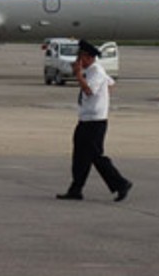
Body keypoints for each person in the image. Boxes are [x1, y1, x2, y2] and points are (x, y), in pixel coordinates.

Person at [57, 39, 132, 202]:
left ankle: (121, 183)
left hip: (95, 121)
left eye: (80, 57)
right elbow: (110, 84)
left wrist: (78, 75)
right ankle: (76, 189)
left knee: (96, 156)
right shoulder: (94, 71)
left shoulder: (96, 71)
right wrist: (102, 99)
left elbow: (89, 90)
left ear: (88, 57)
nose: (78, 61)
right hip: (86, 118)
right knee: (80, 156)